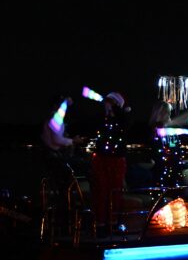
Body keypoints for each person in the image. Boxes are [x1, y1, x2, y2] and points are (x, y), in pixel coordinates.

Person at [90, 92, 130, 234]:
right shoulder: (102, 119)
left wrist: (118, 111)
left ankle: (112, 224)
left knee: (114, 192)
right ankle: (100, 225)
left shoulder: (121, 120)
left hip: (116, 160)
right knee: (101, 190)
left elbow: (123, 127)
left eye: (110, 102)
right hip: (101, 159)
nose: (107, 104)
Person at [40, 95, 85, 194]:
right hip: (54, 158)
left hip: (50, 156)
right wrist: (73, 141)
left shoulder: (52, 118)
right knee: (84, 166)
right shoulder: (56, 119)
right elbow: (56, 140)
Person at [147, 100, 186, 189]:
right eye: (166, 113)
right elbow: (155, 150)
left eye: (169, 113)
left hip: (174, 168)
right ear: (160, 114)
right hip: (161, 170)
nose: (168, 115)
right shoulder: (154, 130)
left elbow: (175, 147)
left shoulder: (171, 129)